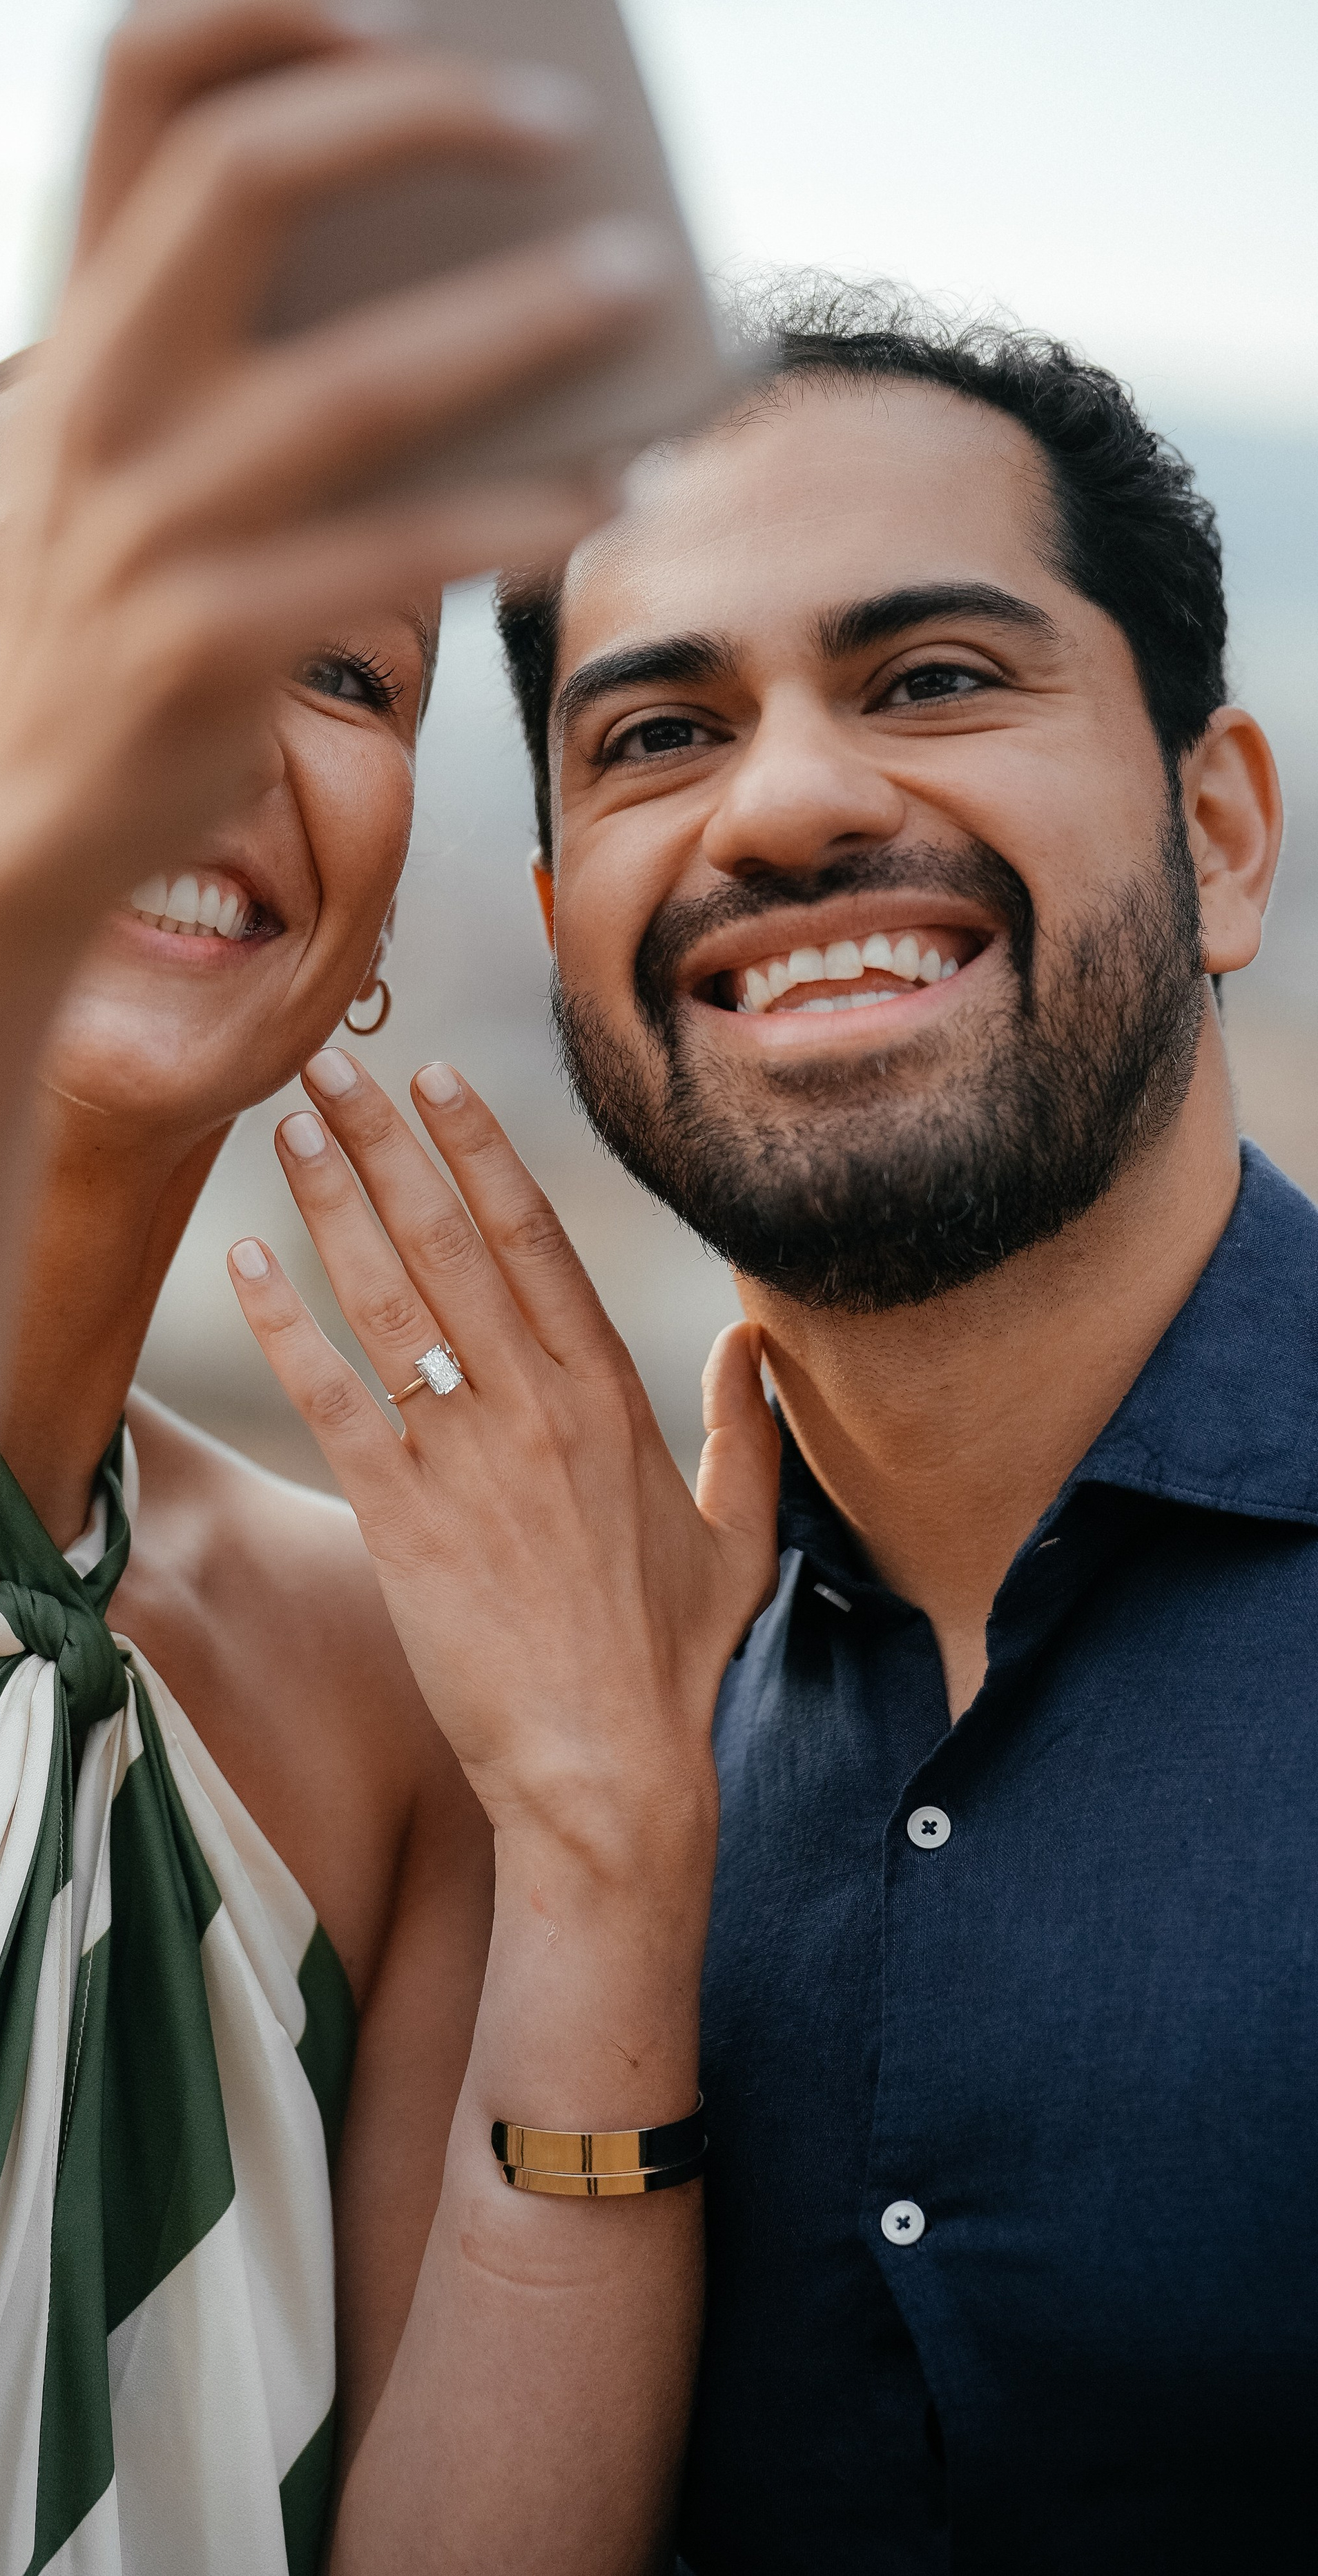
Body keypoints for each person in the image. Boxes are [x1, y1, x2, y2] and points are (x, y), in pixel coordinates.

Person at [0, 0, 782, 2574]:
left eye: (340, 666)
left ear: (372, 904)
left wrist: (604, 1845)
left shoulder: (396, 1672)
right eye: (113, 602)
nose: (210, 718)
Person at [489, 280, 1314, 2570]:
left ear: (1221, 829)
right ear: (567, 929)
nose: (791, 802)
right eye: (654, 734)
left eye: (933, 680)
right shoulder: (554, 1771)